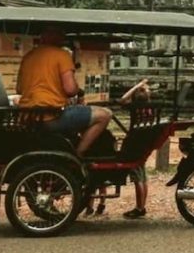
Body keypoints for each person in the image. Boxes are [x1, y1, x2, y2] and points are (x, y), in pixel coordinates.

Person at [17, 27, 112, 157]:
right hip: (52, 117)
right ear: (55, 36)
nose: (63, 37)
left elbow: (19, 89)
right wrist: (78, 89)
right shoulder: (61, 55)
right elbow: (70, 89)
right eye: (61, 34)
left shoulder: (28, 57)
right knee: (104, 114)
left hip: (29, 117)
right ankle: (79, 155)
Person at [119, 79, 154, 219]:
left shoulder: (134, 107)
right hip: (143, 145)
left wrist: (136, 86)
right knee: (143, 176)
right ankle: (141, 206)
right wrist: (142, 88)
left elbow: (122, 99)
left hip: (133, 146)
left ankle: (139, 207)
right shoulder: (151, 108)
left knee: (137, 177)